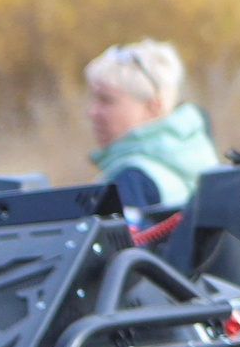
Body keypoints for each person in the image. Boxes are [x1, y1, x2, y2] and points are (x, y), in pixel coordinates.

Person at [86, 39, 222, 215]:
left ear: (152, 106)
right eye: (93, 98)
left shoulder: (131, 179)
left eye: (106, 100)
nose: (92, 111)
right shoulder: (200, 161)